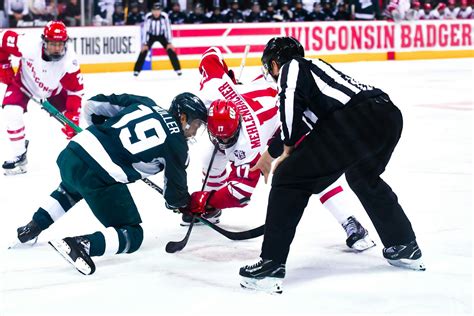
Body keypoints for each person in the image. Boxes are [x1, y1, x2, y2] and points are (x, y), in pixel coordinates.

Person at [239, 37, 425, 294]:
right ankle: (404, 245)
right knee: (363, 177)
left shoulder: (292, 67)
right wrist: (270, 155)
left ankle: (271, 265)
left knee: (289, 178)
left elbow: (290, 109)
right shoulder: (317, 73)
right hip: (387, 116)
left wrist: (288, 151)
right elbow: (309, 124)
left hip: (356, 119)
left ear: (273, 63)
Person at [184, 46, 375, 252]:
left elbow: (240, 194)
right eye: (218, 135)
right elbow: (211, 54)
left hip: (290, 119)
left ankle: (351, 222)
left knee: (313, 174)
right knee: (209, 157)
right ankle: (210, 209)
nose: (223, 141)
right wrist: (228, 77)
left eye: (229, 137)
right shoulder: (215, 89)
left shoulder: (249, 143)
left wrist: (203, 199)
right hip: (261, 93)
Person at [15, 92, 207, 275]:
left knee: (70, 190)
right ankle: (82, 244)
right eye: (196, 124)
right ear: (182, 117)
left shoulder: (145, 103)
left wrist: (102, 135)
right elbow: (174, 197)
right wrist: (185, 205)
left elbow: (92, 105)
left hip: (74, 151)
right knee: (132, 235)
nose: (195, 131)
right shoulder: (177, 144)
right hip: (98, 176)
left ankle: (33, 226)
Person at [0, 21, 83, 176]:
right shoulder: (27, 44)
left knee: (73, 126)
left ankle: (85, 157)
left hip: (53, 92)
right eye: (52, 44)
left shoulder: (70, 61)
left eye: (60, 44)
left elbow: (75, 91)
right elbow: (1, 39)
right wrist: (3, 65)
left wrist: (73, 116)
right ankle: (19, 155)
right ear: (44, 41)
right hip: (23, 84)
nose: (57, 48)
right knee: (11, 112)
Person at [133, 2, 182, 77]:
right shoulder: (148, 17)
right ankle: (136, 70)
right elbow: (145, 30)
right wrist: (145, 43)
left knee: (170, 50)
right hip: (151, 36)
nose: (156, 12)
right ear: (152, 11)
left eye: (158, 10)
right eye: (154, 10)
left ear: (160, 11)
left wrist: (169, 42)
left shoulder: (164, 16)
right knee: (144, 51)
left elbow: (167, 29)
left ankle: (178, 69)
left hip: (162, 36)